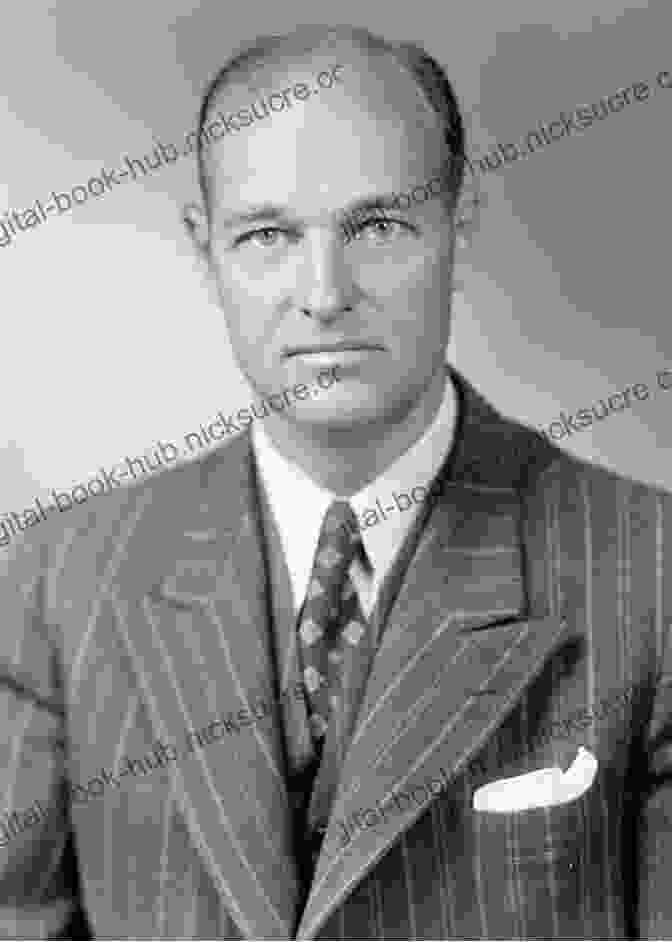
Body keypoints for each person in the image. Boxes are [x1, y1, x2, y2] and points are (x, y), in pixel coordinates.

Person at [0, 23, 671, 941]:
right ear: (205, 249)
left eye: (378, 226)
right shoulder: (55, 579)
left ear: (459, 222)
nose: (324, 292)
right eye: (269, 234)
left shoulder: (651, 571)